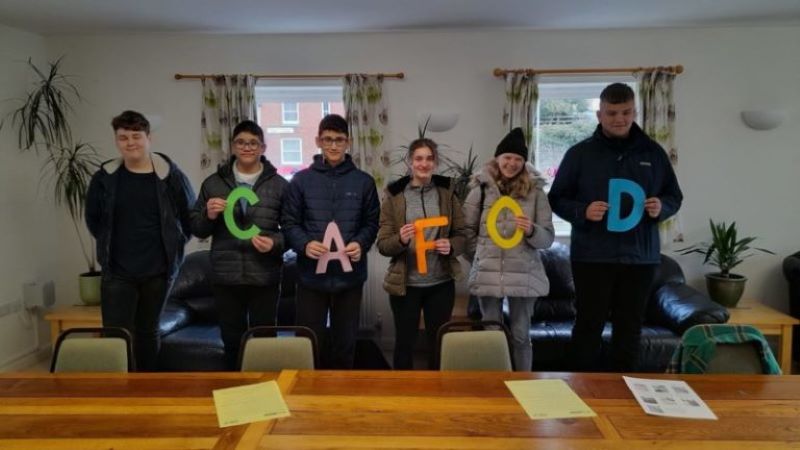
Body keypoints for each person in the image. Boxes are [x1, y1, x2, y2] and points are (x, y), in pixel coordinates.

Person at [548, 83, 683, 372]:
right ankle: (581, 390)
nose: (619, 119)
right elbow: (556, 198)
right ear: (599, 114)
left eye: (625, 112)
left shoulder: (654, 153)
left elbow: (674, 196)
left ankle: (623, 395)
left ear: (635, 111)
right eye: (611, 113)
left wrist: (662, 207)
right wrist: (582, 211)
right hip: (591, 256)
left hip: (640, 257)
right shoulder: (579, 154)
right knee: (587, 325)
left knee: (629, 327)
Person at [85, 110, 195, 371]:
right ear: (116, 141)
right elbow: (93, 220)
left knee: (147, 332)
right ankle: (119, 391)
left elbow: (188, 218)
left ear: (149, 138)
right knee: (115, 334)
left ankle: (148, 387)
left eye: (136, 136)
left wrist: (173, 247)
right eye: (123, 138)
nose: (130, 142)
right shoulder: (104, 178)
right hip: (117, 271)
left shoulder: (171, 177)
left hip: (158, 271)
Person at [281, 114, 380, 369]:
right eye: (328, 139)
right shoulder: (301, 181)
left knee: (345, 343)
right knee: (308, 341)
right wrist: (304, 245)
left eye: (339, 140)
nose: (334, 145)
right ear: (318, 141)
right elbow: (290, 223)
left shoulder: (364, 182)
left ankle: (342, 395)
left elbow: (371, 223)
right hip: (310, 277)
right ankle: (307, 395)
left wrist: (360, 243)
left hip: (350, 277)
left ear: (348, 142)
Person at [190, 120, 288, 369]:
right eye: (241, 142)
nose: (247, 147)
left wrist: (275, 243)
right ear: (233, 146)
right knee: (232, 342)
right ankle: (235, 396)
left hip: (264, 275)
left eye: (253, 143)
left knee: (265, 342)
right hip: (226, 276)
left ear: (263, 147)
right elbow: (197, 228)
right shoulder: (213, 183)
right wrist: (208, 215)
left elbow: (293, 230)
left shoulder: (280, 185)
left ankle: (268, 396)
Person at [463, 127, 554, 372]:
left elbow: (547, 238)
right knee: (492, 335)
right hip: (488, 272)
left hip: (524, 273)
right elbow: (466, 231)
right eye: (507, 158)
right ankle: (496, 385)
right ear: (497, 158)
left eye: (517, 159)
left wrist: (532, 230)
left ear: (524, 162)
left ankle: (524, 383)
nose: (511, 164)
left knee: (521, 336)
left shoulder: (536, 193)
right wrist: (480, 255)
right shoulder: (479, 189)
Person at [377, 138, 467, 370]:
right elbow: (383, 244)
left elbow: (462, 234)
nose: (424, 164)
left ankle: (437, 396)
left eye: (429, 158)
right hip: (406, 285)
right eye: (419, 158)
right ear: (410, 162)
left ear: (435, 162)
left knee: (438, 344)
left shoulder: (448, 192)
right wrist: (401, 239)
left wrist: (452, 245)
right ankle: (403, 398)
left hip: (441, 283)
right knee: (404, 344)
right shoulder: (394, 196)